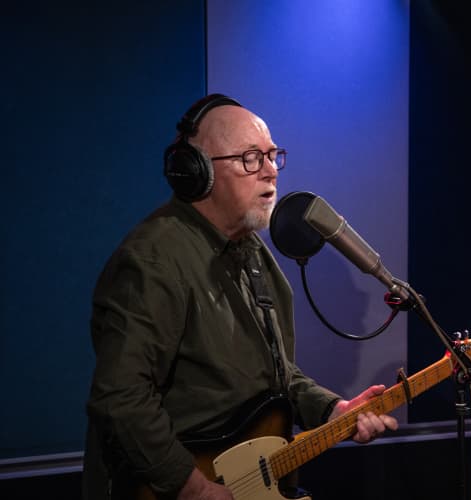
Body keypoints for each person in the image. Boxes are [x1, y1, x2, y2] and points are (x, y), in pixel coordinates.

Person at [82, 94, 398, 499]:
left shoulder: (253, 252)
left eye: (272, 156)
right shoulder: (153, 260)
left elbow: (274, 376)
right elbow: (121, 398)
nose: (270, 171)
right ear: (197, 172)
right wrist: (191, 486)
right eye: (251, 158)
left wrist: (332, 410)